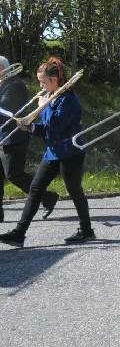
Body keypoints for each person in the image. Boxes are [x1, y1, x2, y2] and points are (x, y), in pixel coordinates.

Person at [0, 57, 92, 247]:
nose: (40, 86)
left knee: (74, 190)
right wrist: (31, 127)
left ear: (55, 80)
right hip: (53, 151)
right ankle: (19, 233)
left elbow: (55, 127)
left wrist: (44, 106)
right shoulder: (53, 97)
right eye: (39, 81)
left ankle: (86, 230)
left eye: (43, 82)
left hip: (71, 152)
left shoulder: (69, 99)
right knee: (35, 189)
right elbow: (46, 130)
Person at [0, 56, 58, 223]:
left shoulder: (15, 85)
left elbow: (6, 111)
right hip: (2, 137)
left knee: (14, 175)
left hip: (14, 137)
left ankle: (47, 197)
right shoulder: (3, 84)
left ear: (3, 68)